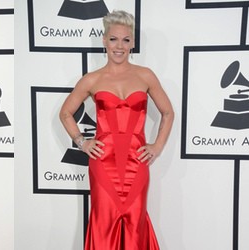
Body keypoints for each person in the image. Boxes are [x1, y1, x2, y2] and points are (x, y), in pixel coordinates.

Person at [59, 10, 174, 250]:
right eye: (113, 39)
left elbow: (168, 112)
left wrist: (157, 146)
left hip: (137, 161)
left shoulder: (145, 75)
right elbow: (65, 113)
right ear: (104, 41)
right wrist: (82, 142)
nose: (119, 46)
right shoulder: (92, 79)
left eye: (125, 39)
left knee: (135, 221)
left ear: (132, 42)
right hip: (103, 163)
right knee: (104, 223)